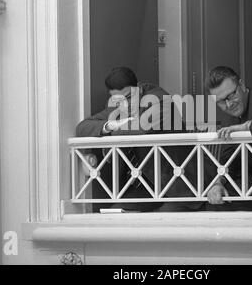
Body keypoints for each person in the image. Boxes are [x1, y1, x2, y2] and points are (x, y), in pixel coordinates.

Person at [76, 67, 207, 212]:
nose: (125, 104)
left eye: (128, 97)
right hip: (145, 185)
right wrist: (109, 125)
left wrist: (116, 129)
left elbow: (140, 129)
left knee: (159, 223)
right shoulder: (117, 105)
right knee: (114, 216)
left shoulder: (160, 99)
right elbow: (82, 127)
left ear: (138, 88)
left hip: (180, 185)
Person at [204, 66, 252, 211]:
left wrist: (245, 128)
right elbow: (229, 158)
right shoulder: (230, 117)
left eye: (232, 95)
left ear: (241, 85)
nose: (229, 104)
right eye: (221, 101)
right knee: (214, 201)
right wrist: (218, 183)